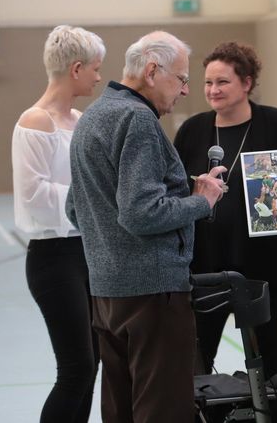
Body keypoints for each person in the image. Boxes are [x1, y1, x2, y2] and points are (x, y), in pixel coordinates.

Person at [65, 31, 226, 422]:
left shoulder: (93, 116)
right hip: (152, 295)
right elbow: (141, 214)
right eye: (183, 79)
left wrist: (181, 193)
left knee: (120, 408)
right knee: (163, 410)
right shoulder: (137, 119)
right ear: (152, 72)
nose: (186, 91)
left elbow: (76, 208)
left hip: (107, 292)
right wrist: (201, 201)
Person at [173, 41, 277, 378]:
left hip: (266, 263)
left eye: (223, 82)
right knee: (197, 350)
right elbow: (174, 189)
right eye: (207, 82)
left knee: (267, 348)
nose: (213, 90)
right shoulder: (192, 131)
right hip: (206, 263)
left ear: (247, 83)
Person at [11, 25, 104, 423]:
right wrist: (91, 197)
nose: (100, 77)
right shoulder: (36, 121)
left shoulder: (79, 119)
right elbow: (33, 196)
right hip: (54, 257)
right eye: (96, 69)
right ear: (77, 68)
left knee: (92, 364)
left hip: (85, 251)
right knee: (76, 367)